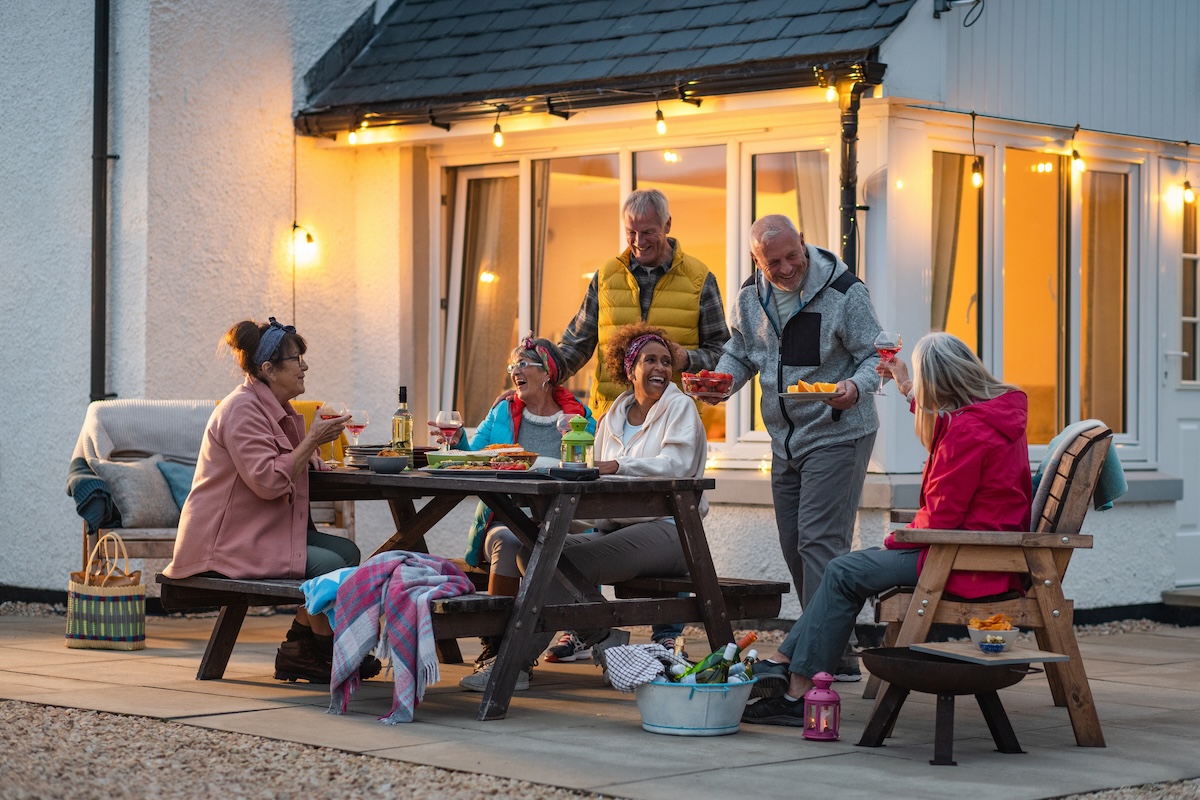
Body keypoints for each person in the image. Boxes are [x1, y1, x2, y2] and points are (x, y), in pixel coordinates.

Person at [742, 332, 1033, 725]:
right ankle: (782, 664)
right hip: (975, 551)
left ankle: (796, 691)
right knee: (844, 569)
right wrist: (905, 383)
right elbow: (945, 424)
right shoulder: (992, 415)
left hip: (963, 560)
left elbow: (943, 516)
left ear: (941, 385)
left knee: (844, 571)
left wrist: (896, 540)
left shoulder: (968, 432)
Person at [460, 323, 708, 692]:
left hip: (671, 530)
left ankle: (514, 665)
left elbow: (677, 464)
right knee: (533, 552)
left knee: (553, 561)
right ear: (629, 368)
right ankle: (606, 639)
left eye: (665, 362)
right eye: (649, 360)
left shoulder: (680, 408)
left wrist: (616, 466)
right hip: (615, 528)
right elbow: (594, 480)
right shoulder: (612, 417)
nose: (659, 368)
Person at [710, 214, 882, 680]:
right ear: (755, 259)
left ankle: (814, 658)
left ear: (803, 243)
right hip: (785, 440)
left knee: (820, 545)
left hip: (838, 430)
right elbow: (742, 352)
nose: (787, 268)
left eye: (793, 256)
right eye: (774, 262)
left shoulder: (845, 291)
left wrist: (856, 386)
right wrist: (722, 383)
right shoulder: (750, 296)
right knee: (795, 548)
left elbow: (877, 355)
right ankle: (838, 652)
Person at [163, 317, 379, 684]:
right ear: (268, 368)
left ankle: (299, 649)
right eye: (296, 359)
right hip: (226, 543)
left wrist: (304, 454)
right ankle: (332, 654)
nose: (305, 366)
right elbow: (266, 481)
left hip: (255, 532)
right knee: (329, 565)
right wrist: (310, 442)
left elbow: (271, 461)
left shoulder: (271, 408)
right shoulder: (241, 410)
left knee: (347, 555)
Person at [431, 335, 595, 672]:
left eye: (522, 364)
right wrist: (456, 439)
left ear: (548, 372)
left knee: (576, 541)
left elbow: (595, 463)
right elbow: (473, 456)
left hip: (564, 517)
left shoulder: (579, 416)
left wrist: (573, 445)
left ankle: (584, 628)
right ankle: (495, 644)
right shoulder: (502, 410)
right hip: (505, 517)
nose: (514, 371)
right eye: (512, 366)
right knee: (508, 541)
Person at [558, 188, 731, 419]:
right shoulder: (606, 277)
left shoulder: (700, 280)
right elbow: (575, 346)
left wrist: (687, 359)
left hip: (674, 420)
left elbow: (722, 354)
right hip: (611, 419)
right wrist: (534, 376)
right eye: (631, 232)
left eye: (648, 232)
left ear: (667, 224)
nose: (638, 241)